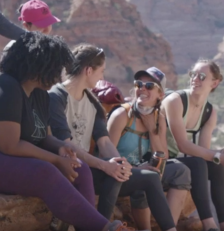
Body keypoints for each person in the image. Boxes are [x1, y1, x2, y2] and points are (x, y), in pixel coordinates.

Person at [0, 32, 135, 231]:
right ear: (40, 65)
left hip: (5, 158)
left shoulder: (41, 94)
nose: (59, 74)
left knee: (80, 168)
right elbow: (9, 145)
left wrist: (62, 149)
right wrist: (57, 160)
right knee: (45, 172)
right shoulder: (6, 87)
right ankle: (106, 228)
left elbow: (45, 137)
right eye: (56, 67)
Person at [49, 45, 178, 231]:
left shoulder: (92, 102)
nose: (102, 77)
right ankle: (102, 225)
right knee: (113, 173)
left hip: (88, 169)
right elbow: (66, 144)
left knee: (147, 177)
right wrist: (105, 165)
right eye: (101, 71)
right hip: (65, 167)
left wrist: (119, 163)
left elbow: (104, 141)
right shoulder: (57, 96)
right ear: (88, 70)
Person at [161, 59, 224, 231]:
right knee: (200, 163)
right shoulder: (175, 101)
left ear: (215, 83)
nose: (195, 79)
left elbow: (203, 152)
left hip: (181, 161)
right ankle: (209, 225)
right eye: (193, 75)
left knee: (215, 166)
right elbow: (183, 145)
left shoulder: (209, 112)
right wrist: (217, 156)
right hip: (161, 159)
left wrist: (221, 155)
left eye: (202, 76)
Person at [108, 67, 191, 230]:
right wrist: (136, 169)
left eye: (149, 86)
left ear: (160, 94)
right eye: (139, 84)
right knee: (147, 177)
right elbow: (106, 156)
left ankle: (169, 225)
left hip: (138, 170)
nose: (143, 89)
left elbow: (163, 157)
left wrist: (153, 131)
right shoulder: (121, 116)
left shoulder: (158, 117)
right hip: (114, 173)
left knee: (181, 171)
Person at [0, 0, 59, 76]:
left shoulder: (52, 48)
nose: (47, 28)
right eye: (41, 24)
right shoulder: (14, 48)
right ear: (26, 25)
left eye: (49, 23)